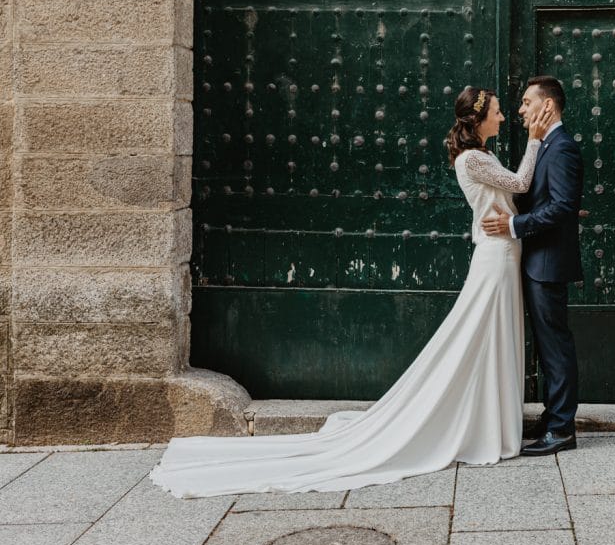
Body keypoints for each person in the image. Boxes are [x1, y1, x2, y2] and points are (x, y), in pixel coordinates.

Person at [148, 86, 555, 498]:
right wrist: (535, 140)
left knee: (490, 337)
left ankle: (490, 422)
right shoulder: (472, 158)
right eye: (497, 112)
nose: (503, 117)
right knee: (479, 335)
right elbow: (521, 183)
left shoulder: (483, 154)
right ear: (478, 119)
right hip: (495, 257)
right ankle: (478, 425)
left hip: (504, 252)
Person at [481, 75, 584, 456]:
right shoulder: (547, 145)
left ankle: (562, 429)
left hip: (548, 263)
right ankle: (552, 416)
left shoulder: (562, 148)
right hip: (537, 260)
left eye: (527, 102)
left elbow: (562, 206)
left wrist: (513, 225)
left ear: (548, 106)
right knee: (546, 345)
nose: (521, 110)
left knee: (555, 346)